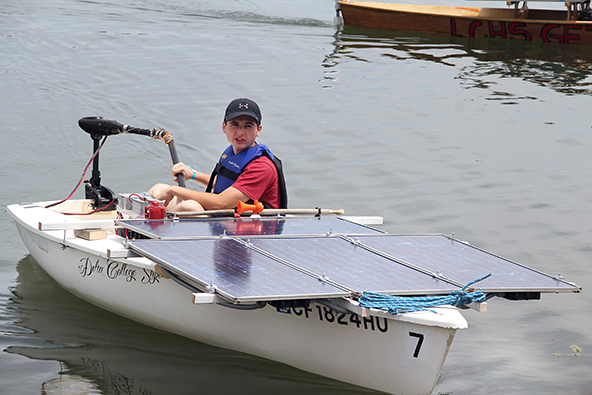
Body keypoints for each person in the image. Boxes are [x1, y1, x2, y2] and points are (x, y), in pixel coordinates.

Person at [148, 98, 287, 212]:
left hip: (247, 229)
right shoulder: (233, 151)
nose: (240, 132)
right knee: (159, 189)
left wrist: (175, 190)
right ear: (224, 127)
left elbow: (222, 202)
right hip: (224, 216)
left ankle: (154, 231)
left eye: (248, 126)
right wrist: (193, 174)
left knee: (189, 207)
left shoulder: (262, 166)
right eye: (235, 125)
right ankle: (142, 223)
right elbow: (225, 185)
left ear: (259, 130)